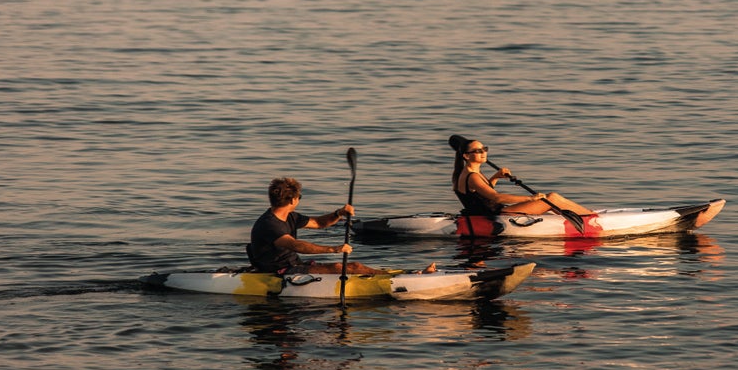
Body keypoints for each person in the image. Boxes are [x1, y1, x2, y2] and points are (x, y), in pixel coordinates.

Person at [250, 177, 435, 275]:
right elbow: (296, 245)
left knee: (354, 266)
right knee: (348, 267)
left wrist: (338, 213)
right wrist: (334, 249)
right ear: (292, 199)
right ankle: (414, 275)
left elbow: (320, 223)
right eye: (300, 197)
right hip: (278, 271)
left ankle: (410, 273)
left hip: (294, 265)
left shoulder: (291, 216)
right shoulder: (269, 225)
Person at [451, 138, 594, 217]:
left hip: (495, 211)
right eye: (477, 151)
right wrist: (530, 199)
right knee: (551, 198)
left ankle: (580, 214)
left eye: (484, 149)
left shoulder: (469, 172)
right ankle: (590, 217)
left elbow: (481, 194)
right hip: (498, 214)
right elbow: (497, 198)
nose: (483, 153)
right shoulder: (473, 176)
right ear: (466, 156)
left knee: (552, 202)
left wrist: (495, 177)